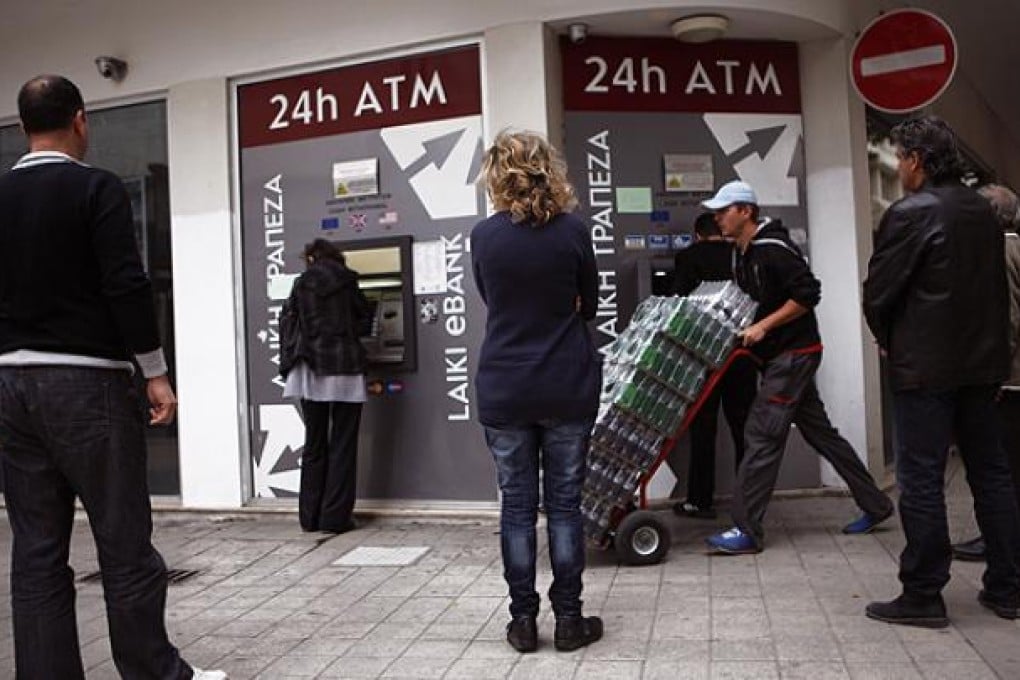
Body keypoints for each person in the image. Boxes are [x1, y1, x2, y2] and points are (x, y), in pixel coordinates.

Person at [0, 75, 225, 679]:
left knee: (36, 550)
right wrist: (155, 372)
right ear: (80, 120)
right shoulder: (96, 188)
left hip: (11, 387)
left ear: (22, 127)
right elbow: (125, 283)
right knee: (124, 542)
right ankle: (154, 673)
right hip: (87, 382)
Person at [863, 118, 1020, 626]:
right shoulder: (985, 212)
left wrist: (889, 341)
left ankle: (923, 593)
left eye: (902, 157)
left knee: (922, 479)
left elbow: (879, 294)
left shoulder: (910, 212)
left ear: (917, 160)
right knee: (992, 475)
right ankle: (1008, 587)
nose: (901, 166)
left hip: (925, 368)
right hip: (982, 367)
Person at [701, 180, 894, 554]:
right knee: (821, 433)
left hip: (794, 355)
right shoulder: (742, 252)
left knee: (762, 433)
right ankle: (876, 504)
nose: (717, 218)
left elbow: (808, 294)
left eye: (723, 211)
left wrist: (763, 326)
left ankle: (747, 529)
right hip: (779, 356)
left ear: (745, 211)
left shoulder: (774, 249)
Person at [471, 131, 603, 653]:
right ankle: (569, 620)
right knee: (565, 507)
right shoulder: (573, 231)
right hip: (566, 383)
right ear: (548, 169)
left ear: (496, 176)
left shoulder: (484, 236)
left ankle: (523, 622)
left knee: (517, 509)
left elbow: (492, 299)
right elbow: (590, 303)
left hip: (505, 385)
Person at [280, 238, 372, 534]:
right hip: (346, 368)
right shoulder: (348, 281)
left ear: (311, 258)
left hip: (310, 369)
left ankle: (310, 517)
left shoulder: (301, 283)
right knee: (343, 444)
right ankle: (335, 517)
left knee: (314, 443)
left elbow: (289, 322)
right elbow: (365, 320)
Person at [672, 212, 758, 519]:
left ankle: (700, 500)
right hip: (740, 352)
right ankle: (749, 500)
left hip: (703, 356)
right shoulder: (740, 254)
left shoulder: (688, 257)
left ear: (697, 235)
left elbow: (679, 302)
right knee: (743, 427)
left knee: (703, 428)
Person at [951, 184, 1020, 563]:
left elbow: (1007, 320)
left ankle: (1001, 542)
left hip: (1010, 381)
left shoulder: (1000, 253)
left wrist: (994, 373)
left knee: (1001, 467)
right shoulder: (1015, 247)